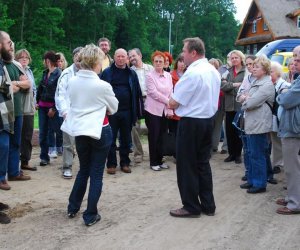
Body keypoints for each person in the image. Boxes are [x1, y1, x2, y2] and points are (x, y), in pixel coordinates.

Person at [61, 44, 118, 226]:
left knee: (83, 169)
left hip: (80, 131)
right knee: (96, 173)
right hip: (100, 130)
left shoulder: (72, 81)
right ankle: (90, 214)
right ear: (96, 63)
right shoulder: (102, 85)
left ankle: (73, 207)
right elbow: (114, 108)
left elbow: (71, 102)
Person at [169, 37, 220, 217]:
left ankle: (191, 206)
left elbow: (174, 103)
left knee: (187, 165)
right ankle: (208, 205)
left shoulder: (193, 73)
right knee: (202, 163)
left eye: (184, 50)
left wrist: (169, 99)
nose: (182, 54)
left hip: (191, 123)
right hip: (207, 121)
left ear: (193, 52)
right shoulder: (213, 71)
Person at [100, 48, 143, 174]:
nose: (120, 58)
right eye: (118, 56)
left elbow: (137, 93)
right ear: (114, 57)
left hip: (127, 111)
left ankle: (125, 163)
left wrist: (137, 112)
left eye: (123, 56)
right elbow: (101, 91)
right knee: (110, 139)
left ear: (127, 58)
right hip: (111, 111)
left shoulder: (132, 74)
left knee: (125, 139)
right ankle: (111, 164)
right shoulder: (107, 73)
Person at [239, 56, 275, 194]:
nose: (253, 69)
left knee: (257, 154)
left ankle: (260, 183)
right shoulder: (256, 82)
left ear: (265, 70)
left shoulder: (266, 85)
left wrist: (246, 99)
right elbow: (240, 96)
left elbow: (250, 103)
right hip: (252, 122)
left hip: (259, 124)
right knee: (251, 153)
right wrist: (245, 99)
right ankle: (253, 180)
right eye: (253, 66)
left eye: (256, 67)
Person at [1, 32, 31, 184]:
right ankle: (3, 175)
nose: (11, 47)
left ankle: (14, 172)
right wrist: (15, 85)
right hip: (5, 110)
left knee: (15, 143)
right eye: (9, 44)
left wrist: (16, 84)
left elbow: (28, 84)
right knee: (4, 144)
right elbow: (7, 88)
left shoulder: (16, 65)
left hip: (17, 110)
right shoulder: (2, 65)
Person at [275, 49, 300, 215]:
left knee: (292, 167)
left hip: (293, 129)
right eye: (294, 57)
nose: (294, 61)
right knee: (293, 166)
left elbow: (285, 100)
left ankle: (294, 203)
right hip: (292, 127)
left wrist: (283, 92)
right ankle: (293, 196)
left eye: (297, 57)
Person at [55, 47, 82, 179]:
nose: (79, 58)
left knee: (84, 142)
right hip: (69, 113)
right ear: (73, 57)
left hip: (84, 113)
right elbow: (60, 94)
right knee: (68, 142)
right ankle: (67, 167)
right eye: (77, 55)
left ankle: (85, 167)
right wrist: (64, 111)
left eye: (82, 55)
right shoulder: (66, 73)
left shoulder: (89, 72)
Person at [144, 51, 173, 171]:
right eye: (156, 61)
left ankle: (160, 160)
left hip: (165, 111)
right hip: (152, 111)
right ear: (153, 62)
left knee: (162, 136)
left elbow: (171, 91)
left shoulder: (168, 75)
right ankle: (153, 162)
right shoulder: (149, 76)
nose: (158, 63)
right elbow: (153, 93)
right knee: (154, 136)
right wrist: (168, 102)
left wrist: (170, 108)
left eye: (160, 61)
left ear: (164, 62)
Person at [36, 51, 62, 166]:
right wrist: (37, 102)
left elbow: (60, 93)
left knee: (59, 131)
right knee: (43, 132)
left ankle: (67, 151)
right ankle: (44, 157)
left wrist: (54, 108)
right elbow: (40, 88)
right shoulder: (44, 73)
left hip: (53, 108)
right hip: (42, 107)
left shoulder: (59, 74)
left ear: (47, 61)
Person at [128, 48, 153, 163]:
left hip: (151, 99)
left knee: (153, 126)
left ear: (140, 55)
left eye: (133, 56)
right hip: (135, 100)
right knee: (134, 126)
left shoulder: (150, 69)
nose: (132, 58)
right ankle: (138, 153)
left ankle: (155, 152)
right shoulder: (129, 71)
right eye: (130, 56)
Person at [221, 50, 245, 164]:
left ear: (241, 58)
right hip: (229, 106)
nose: (234, 59)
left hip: (240, 106)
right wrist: (235, 85)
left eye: (236, 57)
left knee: (238, 131)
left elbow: (245, 88)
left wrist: (230, 87)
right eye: (232, 58)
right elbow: (223, 86)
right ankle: (231, 154)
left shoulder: (245, 72)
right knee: (229, 131)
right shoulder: (227, 72)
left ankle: (237, 154)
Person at [15, 49, 37, 171]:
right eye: (21, 57)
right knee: (17, 137)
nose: (24, 59)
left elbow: (33, 88)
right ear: (17, 59)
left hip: (29, 109)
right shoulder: (15, 70)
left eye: (26, 57)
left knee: (27, 136)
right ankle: (13, 165)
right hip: (18, 109)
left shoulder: (29, 71)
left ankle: (25, 161)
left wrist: (35, 103)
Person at [236, 55, 256, 182]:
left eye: (251, 64)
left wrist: (246, 96)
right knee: (246, 147)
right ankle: (248, 172)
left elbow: (253, 98)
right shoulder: (246, 78)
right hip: (244, 115)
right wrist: (244, 96)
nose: (249, 66)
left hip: (255, 117)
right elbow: (239, 96)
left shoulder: (262, 79)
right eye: (247, 64)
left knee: (256, 149)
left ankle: (259, 174)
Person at [270, 62, 290, 174]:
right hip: (273, 117)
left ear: (278, 73)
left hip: (282, 118)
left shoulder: (284, 85)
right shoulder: (270, 84)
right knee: (275, 141)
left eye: (271, 72)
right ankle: (277, 163)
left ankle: (286, 165)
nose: (269, 74)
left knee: (284, 142)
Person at [169, 54, 185, 136]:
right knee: (174, 134)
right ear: (177, 62)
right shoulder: (170, 75)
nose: (182, 64)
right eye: (180, 61)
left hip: (185, 110)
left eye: (184, 61)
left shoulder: (189, 75)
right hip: (174, 109)